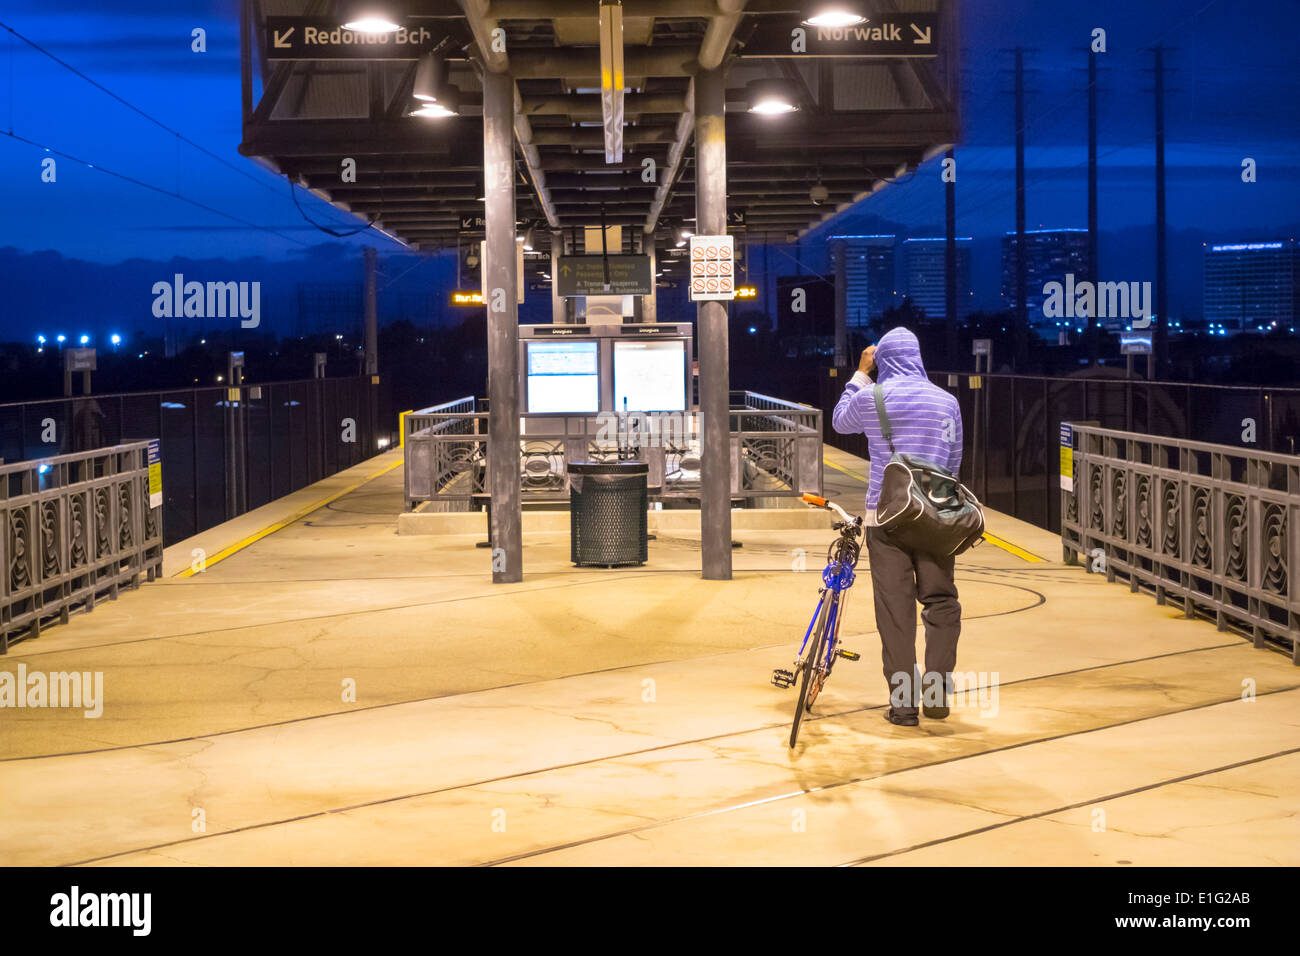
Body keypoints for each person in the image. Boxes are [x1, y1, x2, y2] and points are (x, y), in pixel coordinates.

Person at [831, 327, 964, 727]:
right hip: (937, 517)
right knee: (941, 602)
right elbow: (954, 460)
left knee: (896, 612)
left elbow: (839, 421)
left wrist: (860, 373)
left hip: (885, 517)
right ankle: (938, 694)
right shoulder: (947, 401)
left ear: (883, 359)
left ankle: (904, 707)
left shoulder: (872, 397)